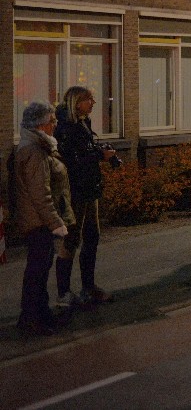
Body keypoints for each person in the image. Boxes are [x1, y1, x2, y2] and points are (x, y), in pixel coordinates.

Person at [12, 101, 73, 336]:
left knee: (39, 269)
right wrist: (56, 223)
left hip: (36, 219)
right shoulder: (35, 151)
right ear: (40, 125)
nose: (55, 124)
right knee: (37, 271)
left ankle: (39, 314)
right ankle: (30, 318)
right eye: (52, 121)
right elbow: (41, 194)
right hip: (38, 221)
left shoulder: (36, 147)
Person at [53, 86, 117, 308]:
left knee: (92, 236)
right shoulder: (66, 128)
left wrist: (99, 151)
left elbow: (86, 149)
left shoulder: (83, 123)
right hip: (76, 191)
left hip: (90, 188)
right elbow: (73, 158)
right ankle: (64, 294)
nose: (93, 102)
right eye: (88, 99)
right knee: (71, 239)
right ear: (76, 102)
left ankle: (88, 287)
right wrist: (100, 154)